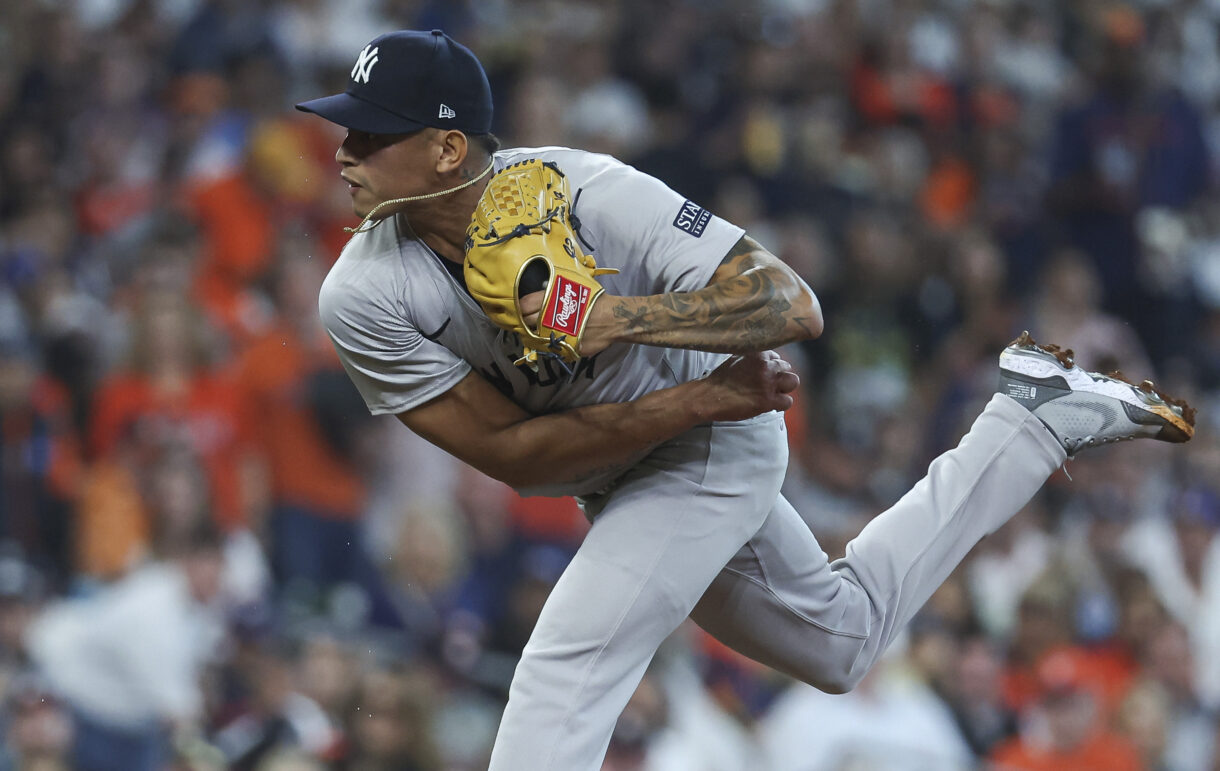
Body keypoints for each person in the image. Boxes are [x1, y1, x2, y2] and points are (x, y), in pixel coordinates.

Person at [295, 29, 1195, 771]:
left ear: (448, 148)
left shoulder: (590, 193)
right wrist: (680, 404)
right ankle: (1030, 423)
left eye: (369, 135)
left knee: (563, 674)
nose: (344, 151)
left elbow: (792, 303)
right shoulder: (364, 294)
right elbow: (515, 456)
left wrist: (618, 318)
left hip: (712, 439)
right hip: (652, 440)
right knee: (841, 642)